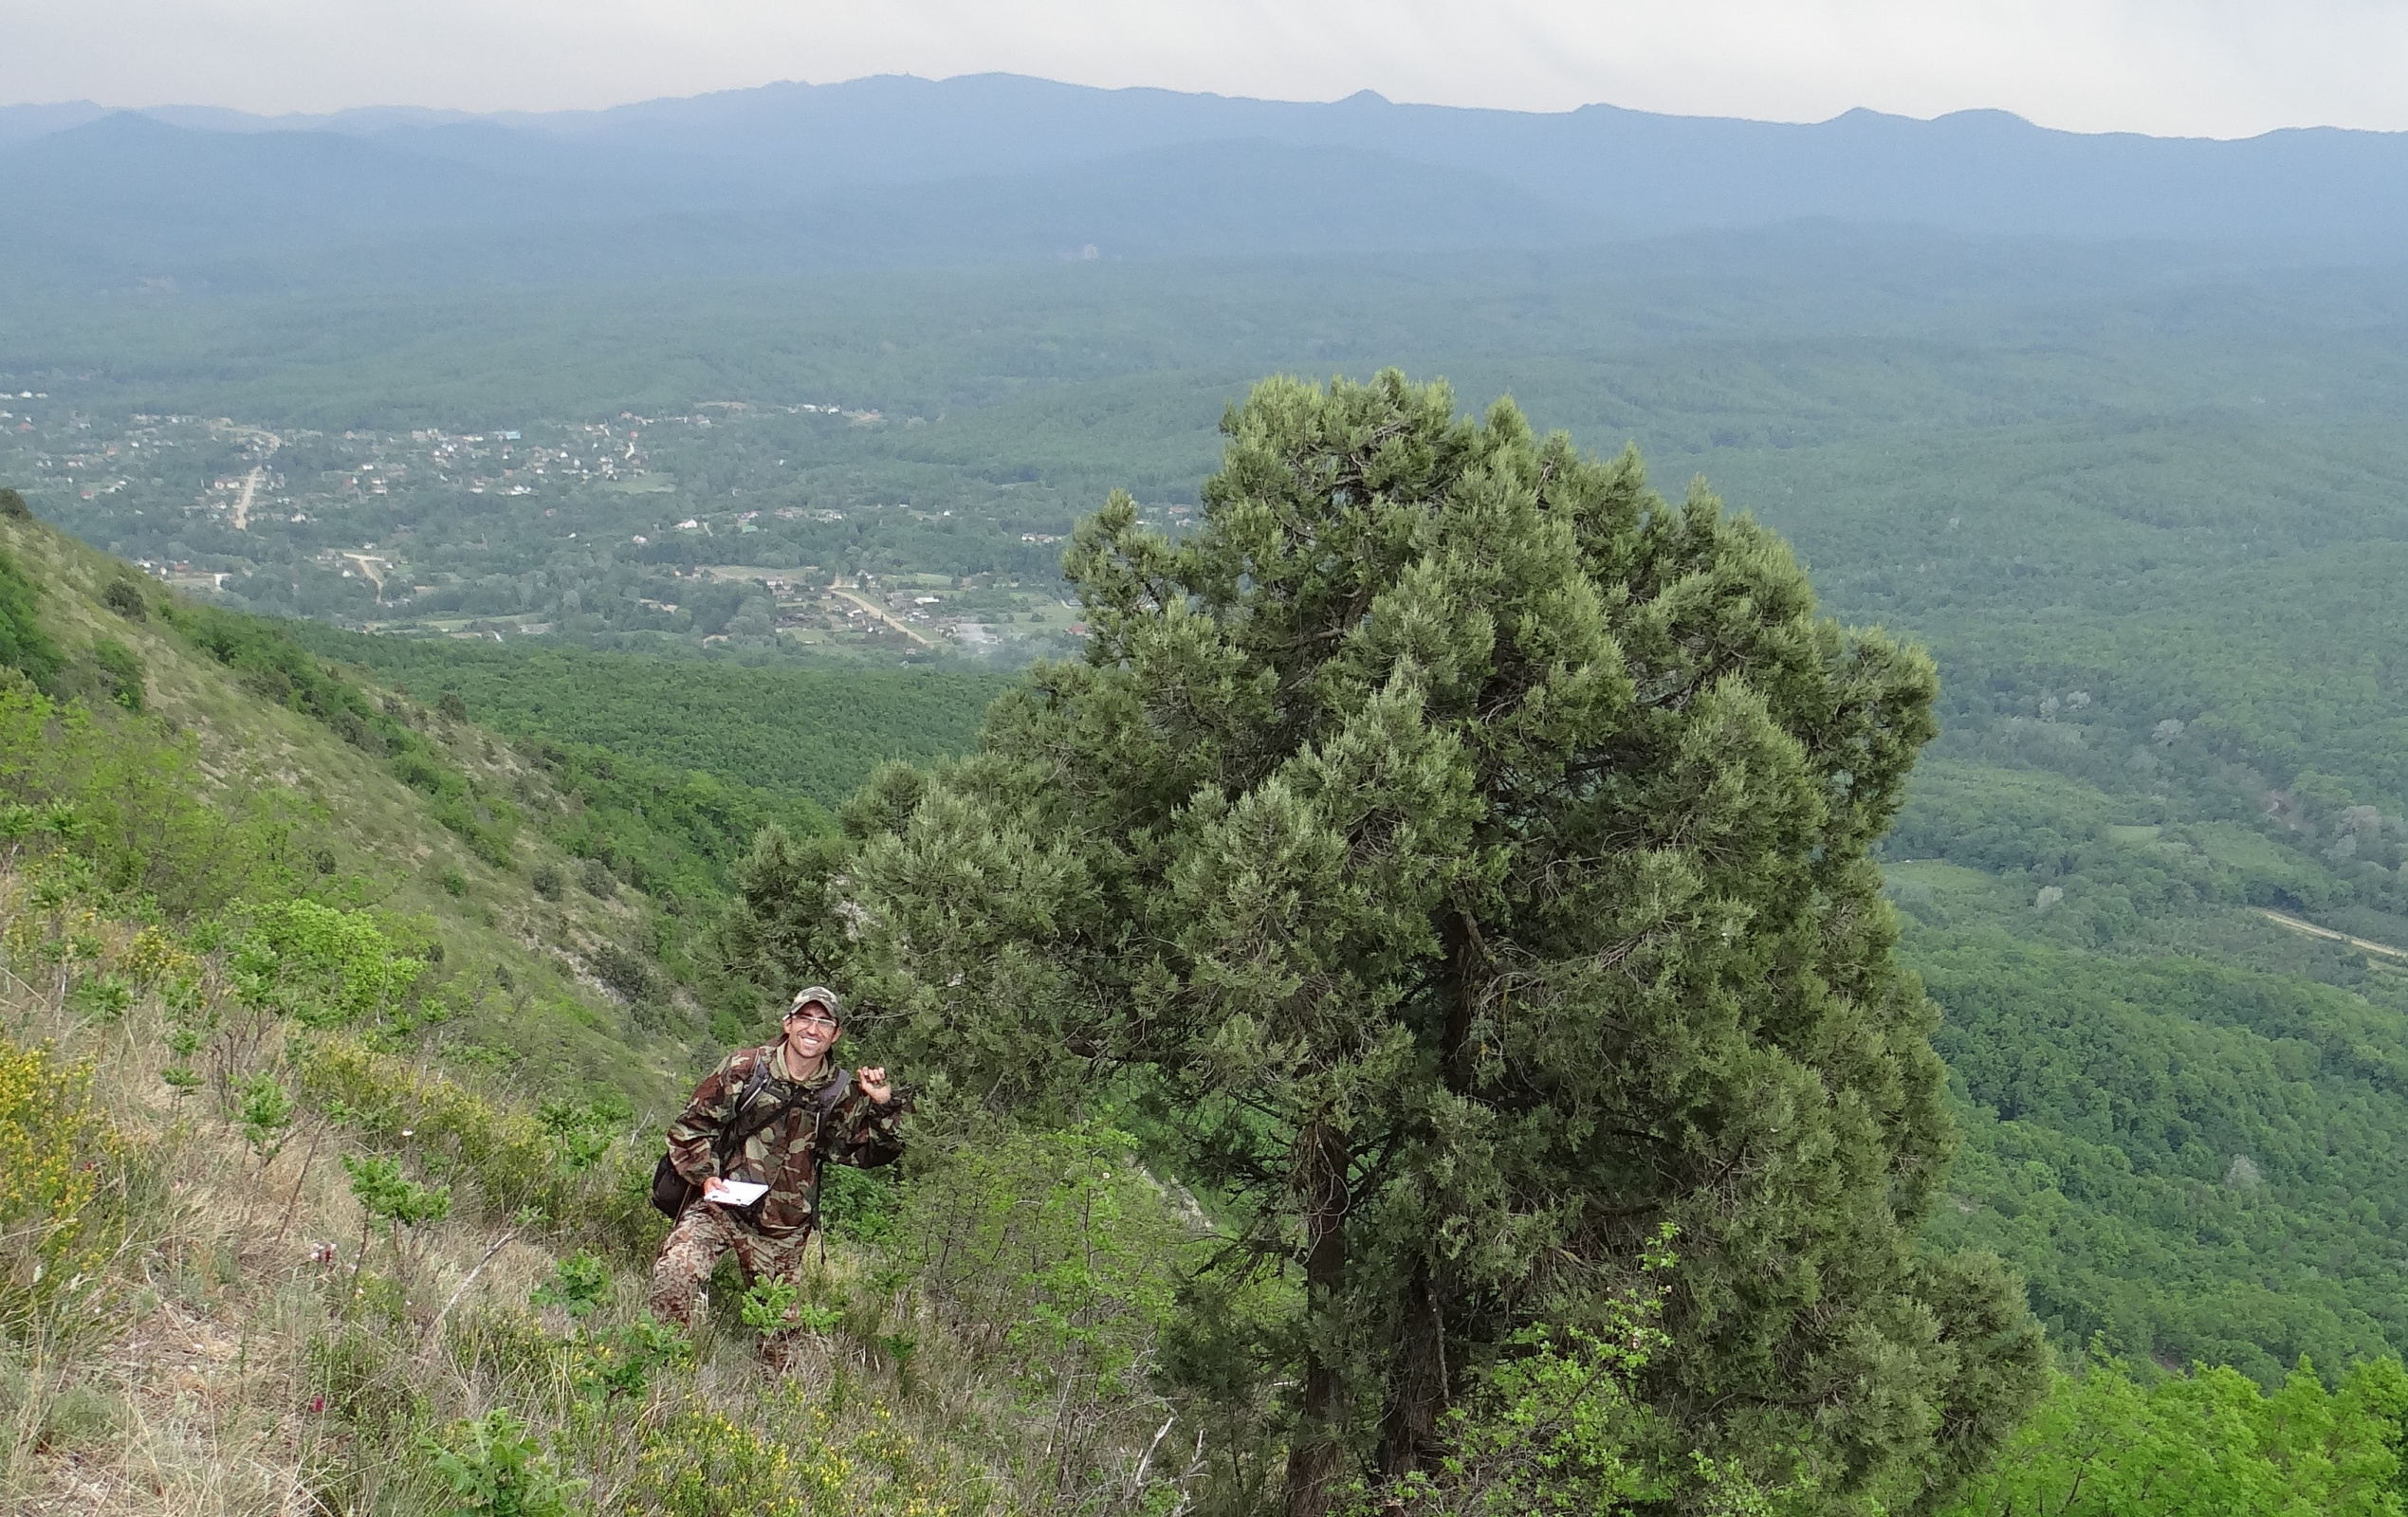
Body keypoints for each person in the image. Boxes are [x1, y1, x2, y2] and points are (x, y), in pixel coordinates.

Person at [646, 983, 903, 1364]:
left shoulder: (839, 1092)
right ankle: (658, 1364)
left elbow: (868, 1153)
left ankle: (771, 1411)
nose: (812, 1029)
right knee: (676, 1271)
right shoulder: (745, 1068)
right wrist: (705, 1176)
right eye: (805, 1018)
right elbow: (691, 1127)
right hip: (720, 1206)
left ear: (836, 1034)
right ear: (788, 1023)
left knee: (781, 1342)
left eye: (823, 1021)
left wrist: (883, 1105)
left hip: (782, 1229)